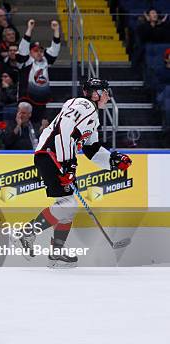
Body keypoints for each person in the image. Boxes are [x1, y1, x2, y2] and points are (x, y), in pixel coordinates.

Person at [11, 78, 132, 268]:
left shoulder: (93, 116)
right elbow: (64, 130)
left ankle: (56, 253)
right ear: (94, 93)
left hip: (57, 156)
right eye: (104, 91)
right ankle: (27, 233)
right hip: (52, 154)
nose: (108, 95)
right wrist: (68, 164)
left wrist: (112, 160)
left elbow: (91, 148)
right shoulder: (82, 104)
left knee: (67, 207)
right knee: (68, 203)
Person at [16, 19, 61, 123]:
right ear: (30, 52)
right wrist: (29, 29)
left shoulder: (45, 61)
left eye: (41, 51)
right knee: (23, 123)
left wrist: (56, 30)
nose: (39, 53)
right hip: (26, 99)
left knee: (42, 126)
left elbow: (55, 49)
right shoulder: (26, 61)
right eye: (36, 51)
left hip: (41, 100)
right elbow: (23, 49)